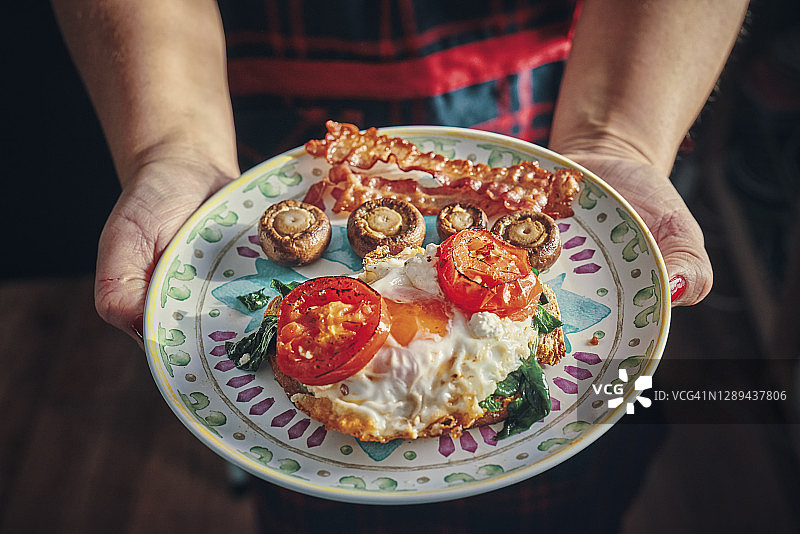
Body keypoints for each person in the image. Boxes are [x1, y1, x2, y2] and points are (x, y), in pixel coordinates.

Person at [52, 1, 748, 532]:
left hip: (561, 95)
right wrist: (172, 143)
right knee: (314, 505)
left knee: (564, 495)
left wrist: (618, 136)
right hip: (246, 121)